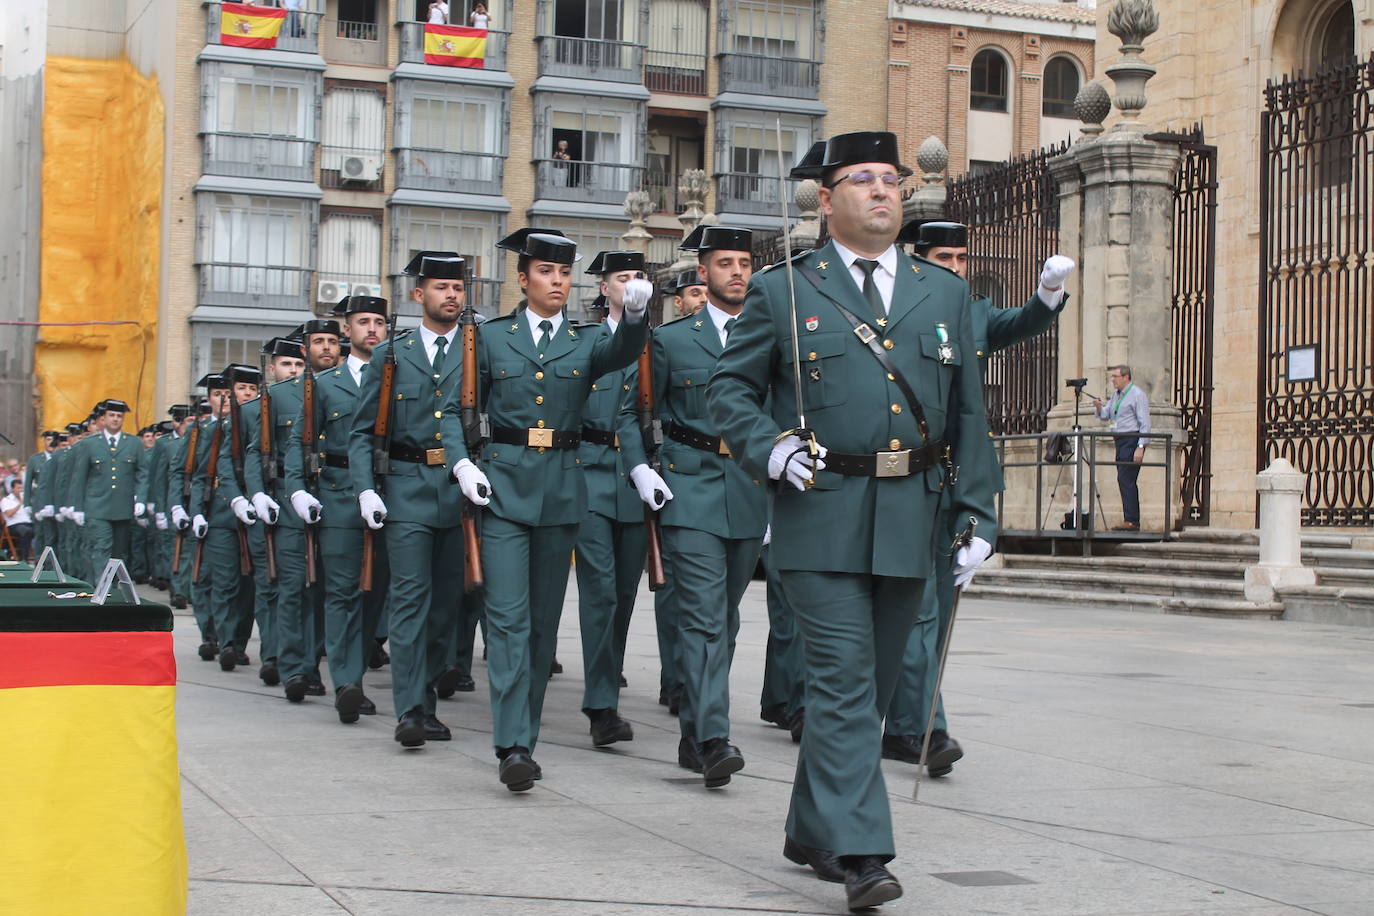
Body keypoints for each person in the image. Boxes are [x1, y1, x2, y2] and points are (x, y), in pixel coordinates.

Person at [706, 131, 1000, 911]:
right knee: (839, 684)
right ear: (826, 199)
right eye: (862, 180)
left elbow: (969, 409)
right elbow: (726, 395)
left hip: (914, 515)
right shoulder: (785, 290)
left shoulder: (944, 295)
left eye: (891, 180)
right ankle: (865, 853)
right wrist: (768, 449)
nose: (882, 192)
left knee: (867, 693)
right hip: (822, 512)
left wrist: (978, 510)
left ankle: (811, 831)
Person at [880, 219, 1073, 776]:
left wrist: (1048, 293)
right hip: (904, 475)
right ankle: (927, 728)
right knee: (917, 612)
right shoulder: (893, 310)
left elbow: (1020, 324)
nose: (958, 268)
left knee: (936, 614)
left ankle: (903, 722)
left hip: (958, 478)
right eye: (946, 257)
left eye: (964, 258)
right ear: (917, 259)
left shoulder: (970, 311)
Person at [464, 227, 648, 791]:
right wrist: (459, 463)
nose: (557, 282)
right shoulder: (490, 338)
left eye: (565, 274)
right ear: (524, 279)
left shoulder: (585, 340)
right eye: (546, 272)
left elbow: (621, 353)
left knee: (542, 628)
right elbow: (457, 407)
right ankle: (513, 744)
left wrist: (636, 317)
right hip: (502, 490)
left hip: (562, 492)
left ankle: (528, 734)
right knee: (508, 620)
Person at [620, 224, 767, 790]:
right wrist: (640, 469)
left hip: (750, 490)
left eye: (744, 263)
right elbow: (632, 413)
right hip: (690, 487)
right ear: (702, 273)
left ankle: (692, 730)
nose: (736, 272)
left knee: (725, 620)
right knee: (704, 618)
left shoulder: (768, 338)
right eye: (724, 263)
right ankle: (711, 738)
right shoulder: (673, 340)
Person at [349, 252, 482, 749]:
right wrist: (366, 487)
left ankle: (425, 695)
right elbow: (362, 431)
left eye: (458, 287)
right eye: (441, 287)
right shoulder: (391, 354)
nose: (451, 295)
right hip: (405, 487)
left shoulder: (476, 350)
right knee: (409, 601)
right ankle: (411, 710)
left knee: (447, 607)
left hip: (459, 494)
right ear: (417, 294)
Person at [287, 303, 392, 723]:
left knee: (376, 595)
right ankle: (347, 681)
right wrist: (297, 491)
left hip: (389, 496)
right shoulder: (325, 384)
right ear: (347, 329)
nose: (372, 329)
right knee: (344, 591)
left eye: (379, 323)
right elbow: (300, 441)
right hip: (338, 494)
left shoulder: (395, 377)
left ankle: (357, 672)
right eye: (363, 322)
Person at [572, 249, 657, 747]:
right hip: (588, 470)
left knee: (624, 594)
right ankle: (601, 704)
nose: (632, 284)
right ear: (604, 289)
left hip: (637, 478)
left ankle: (608, 679)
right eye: (622, 278)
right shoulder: (583, 342)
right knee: (600, 591)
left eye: (639, 276)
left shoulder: (654, 342)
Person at [66, 399, 142, 579]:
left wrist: (141, 498)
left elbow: (142, 473)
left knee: (118, 552)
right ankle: (103, 590)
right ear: (104, 418)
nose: (115, 419)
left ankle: (112, 588)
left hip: (123, 506)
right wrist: (76, 507)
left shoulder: (133, 443)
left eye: (119, 416)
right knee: (102, 547)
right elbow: (80, 478)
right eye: (111, 415)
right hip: (97, 507)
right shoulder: (89, 444)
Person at [1093, 365, 1150, 530]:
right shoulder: (1116, 396)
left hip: (1131, 439)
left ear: (1126, 377)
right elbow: (1106, 414)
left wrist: (1141, 446)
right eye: (1112, 377)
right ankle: (1130, 519)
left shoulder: (1137, 395)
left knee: (1127, 479)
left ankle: (1132, 521)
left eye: (1115, 376)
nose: (1113, 380)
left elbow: (1145, 423)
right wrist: (1098, 406)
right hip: (1120, 440)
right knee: (1123, 478)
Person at [24, 431, 61, 562]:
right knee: (40, 535)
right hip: (39, 501)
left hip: (56, 500)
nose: (51, 442)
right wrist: (27, 503)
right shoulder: (35, 459)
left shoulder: (60, 456)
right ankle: (39, 563)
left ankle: (53, 564)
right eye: (48, 439)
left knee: (54, 535)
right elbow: (28, 483)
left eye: (54, 439)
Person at [2, 479, 34, 560]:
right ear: (12, 489)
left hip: (28, 523)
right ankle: (24, 558)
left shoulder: (25, 498)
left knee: (42, 531)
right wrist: (20, 504)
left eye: (21, 488)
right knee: (27, 531)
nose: (20, 490)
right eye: (18, 488)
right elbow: (9, 514)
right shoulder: (6, 500)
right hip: (14, 525)